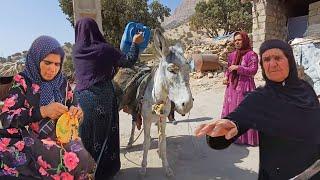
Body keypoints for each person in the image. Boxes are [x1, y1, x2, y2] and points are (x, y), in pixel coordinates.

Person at [195, 39, 320, 180]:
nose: (272, 64)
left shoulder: (305, 88)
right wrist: (227, 126)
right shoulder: (260, 98)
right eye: (266, 59)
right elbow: (240, 116)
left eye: (278, 58)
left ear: (290, 61)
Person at [0, 36, 95, 179]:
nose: (53, 69)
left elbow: (74, 105)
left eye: (57, 64)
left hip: (60, 137)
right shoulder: (23, 81)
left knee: (85, 159)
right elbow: (7, 117)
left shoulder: (62, 83)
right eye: (47, 62)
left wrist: (77, 112)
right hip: (29, 138)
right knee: (65, 161)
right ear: (36, 59)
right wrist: (43, 111)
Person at [72, 17, 143, 179]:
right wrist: (135, 42)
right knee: (105, 136)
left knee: (85, 135)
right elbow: (128, 60)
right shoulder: (104, 49)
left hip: (81, 100)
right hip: (102, 98)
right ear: (95, 30)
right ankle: (104, 172)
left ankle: (85, 172)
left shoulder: (76, 51)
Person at [222, 31, 259, 146]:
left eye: (239, 40)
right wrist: (225, 77)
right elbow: (228, 69)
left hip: (245, 86)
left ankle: (246, 139)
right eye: (235, 40)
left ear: (245, 40)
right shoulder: (231, 55)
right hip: (232, 88)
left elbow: (253, 70)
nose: (237, 42)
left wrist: (239, 68)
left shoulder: (251, 55)